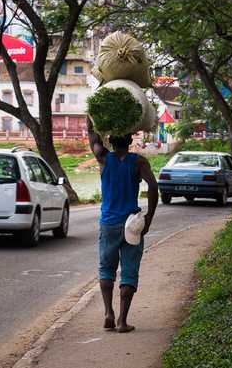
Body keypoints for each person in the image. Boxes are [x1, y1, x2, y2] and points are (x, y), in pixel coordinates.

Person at [87, 119, 158, 333]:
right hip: (131, 224)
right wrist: (149, 218)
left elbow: (92, 134)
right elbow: (153, 188)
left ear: (110, 140)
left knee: (106, 268)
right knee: (129, 271)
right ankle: (122, 321)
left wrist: (91, 116)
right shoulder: (139, 162)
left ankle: (108, 312)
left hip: (108, 223)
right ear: (130, 141)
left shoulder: (103, 158)